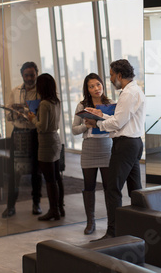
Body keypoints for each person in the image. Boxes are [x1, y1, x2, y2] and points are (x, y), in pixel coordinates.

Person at [85, 59, 145, 239]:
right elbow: (121, 118)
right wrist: (101, 115)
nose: (110, 79)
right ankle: (139, 228)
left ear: (119, 75)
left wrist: (97, 123)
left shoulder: (128, 94)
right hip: (134, 144)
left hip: (125, 145)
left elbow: (118, 122)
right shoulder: (134, 90)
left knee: (112, 188)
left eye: (111, 75)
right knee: (135, 190)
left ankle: (113, 232)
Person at [72, 73, 114, 235]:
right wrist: (86, 126)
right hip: (89, 148)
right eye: (91, 86)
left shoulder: (110, 104)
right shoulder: (81, 106)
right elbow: (74, 130)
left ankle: (112, 222)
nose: (96, 88)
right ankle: (91, 222)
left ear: (102, 85)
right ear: (87, 89)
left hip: (106, 148)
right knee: (88, 186)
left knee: (108, 187)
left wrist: (98, 122)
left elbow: (116, 125)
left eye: (98, 84)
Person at [2, 62, 42, 218]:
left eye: (32, 74)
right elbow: (8, 115)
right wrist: (15, 114)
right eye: (27, 75)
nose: (30, 78)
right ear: (22, 76)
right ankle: (11, 206)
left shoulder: (41, 92)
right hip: (18, 133)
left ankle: (36, 203)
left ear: (37, 74)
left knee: (36, 171)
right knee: (14, 172)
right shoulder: (15, 91)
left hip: (34, 133)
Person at [28, 73, 64, 221]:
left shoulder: (44, 104)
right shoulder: (56, 101)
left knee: (49, 180)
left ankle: (53, 210)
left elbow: (41, 127)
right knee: (57, 177)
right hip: (55, 139)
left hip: (46, 142)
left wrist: (33, 119)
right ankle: (60, 207)